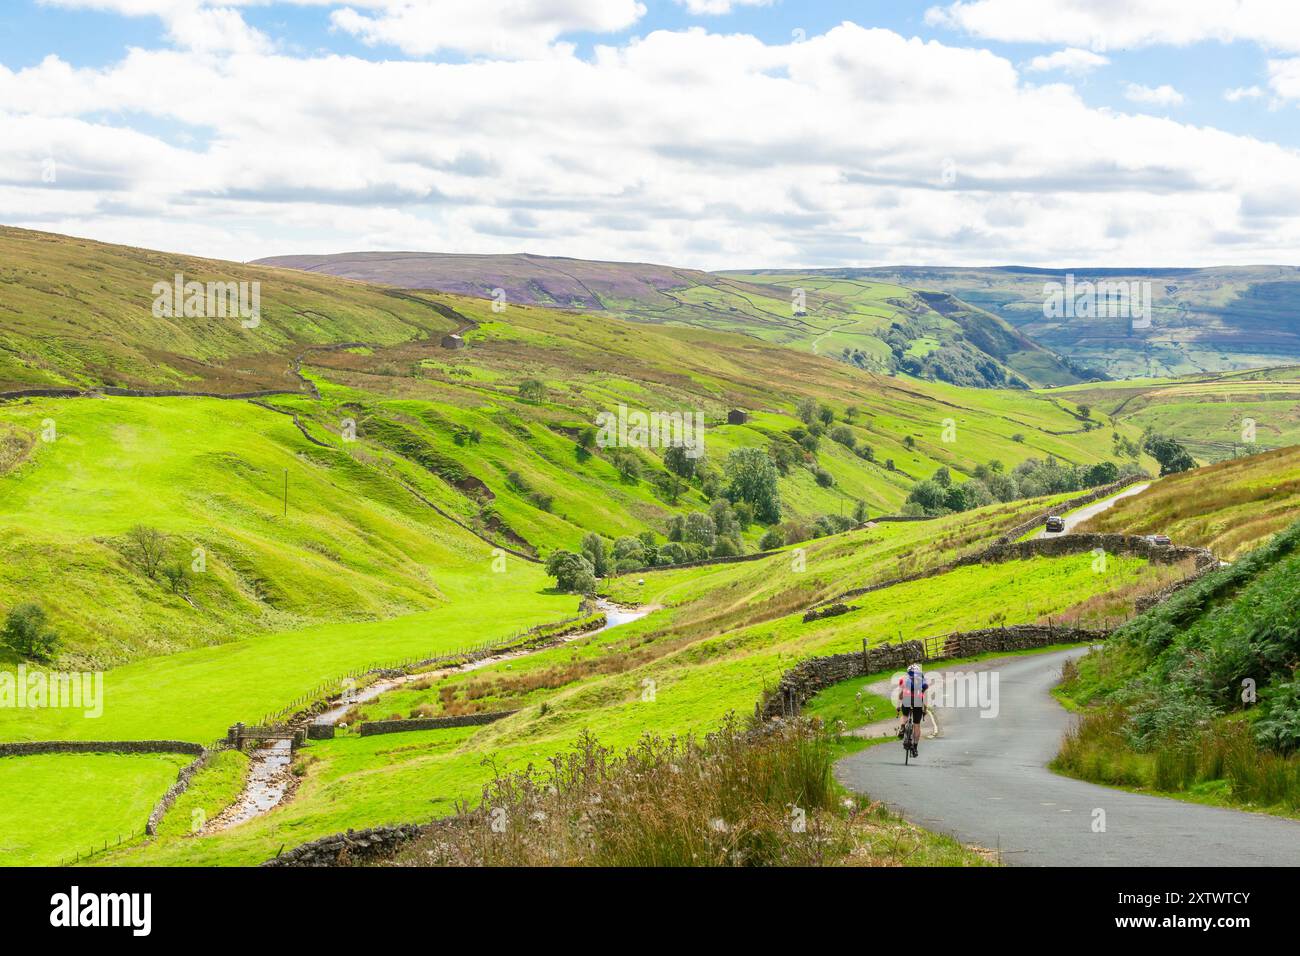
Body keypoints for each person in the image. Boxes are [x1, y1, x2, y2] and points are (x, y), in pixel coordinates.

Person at [896, 662, 928, 756]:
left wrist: (898, 706)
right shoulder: (923, 681)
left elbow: (900, 696)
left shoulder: (904, 680)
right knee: (916, 724)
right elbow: (925, 698)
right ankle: (915, 747)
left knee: (905, 715)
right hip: (918, 701)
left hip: (907, 699)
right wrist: (925, 710)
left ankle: (902, 728)